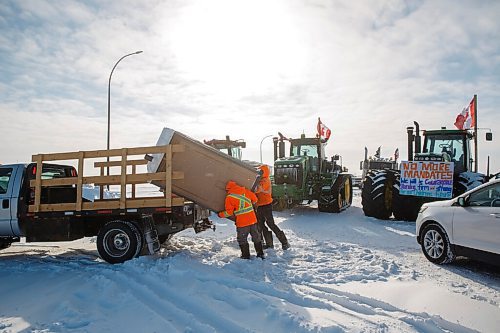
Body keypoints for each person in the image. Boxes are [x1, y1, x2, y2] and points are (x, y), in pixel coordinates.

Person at [218, 180, 265, 259]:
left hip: (242, 223)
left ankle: (245, 256)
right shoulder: (245, 191)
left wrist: (220, 214)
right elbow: (255, 199)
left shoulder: (229, 198)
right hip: (252, 220)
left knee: (242, 239)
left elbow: (229, 213)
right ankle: (260, 254)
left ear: (228, 189)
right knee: (256, 237)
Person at [255, 164, 290, 250]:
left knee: (271, 224)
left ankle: (284, 242)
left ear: (264, 172)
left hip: (266, 205)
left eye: (261, 172)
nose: (259, 173)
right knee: (261, 225)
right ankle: (269, 244)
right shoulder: (260, 180)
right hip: (259, 206)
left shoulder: (265, 181)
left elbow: (257, 189)